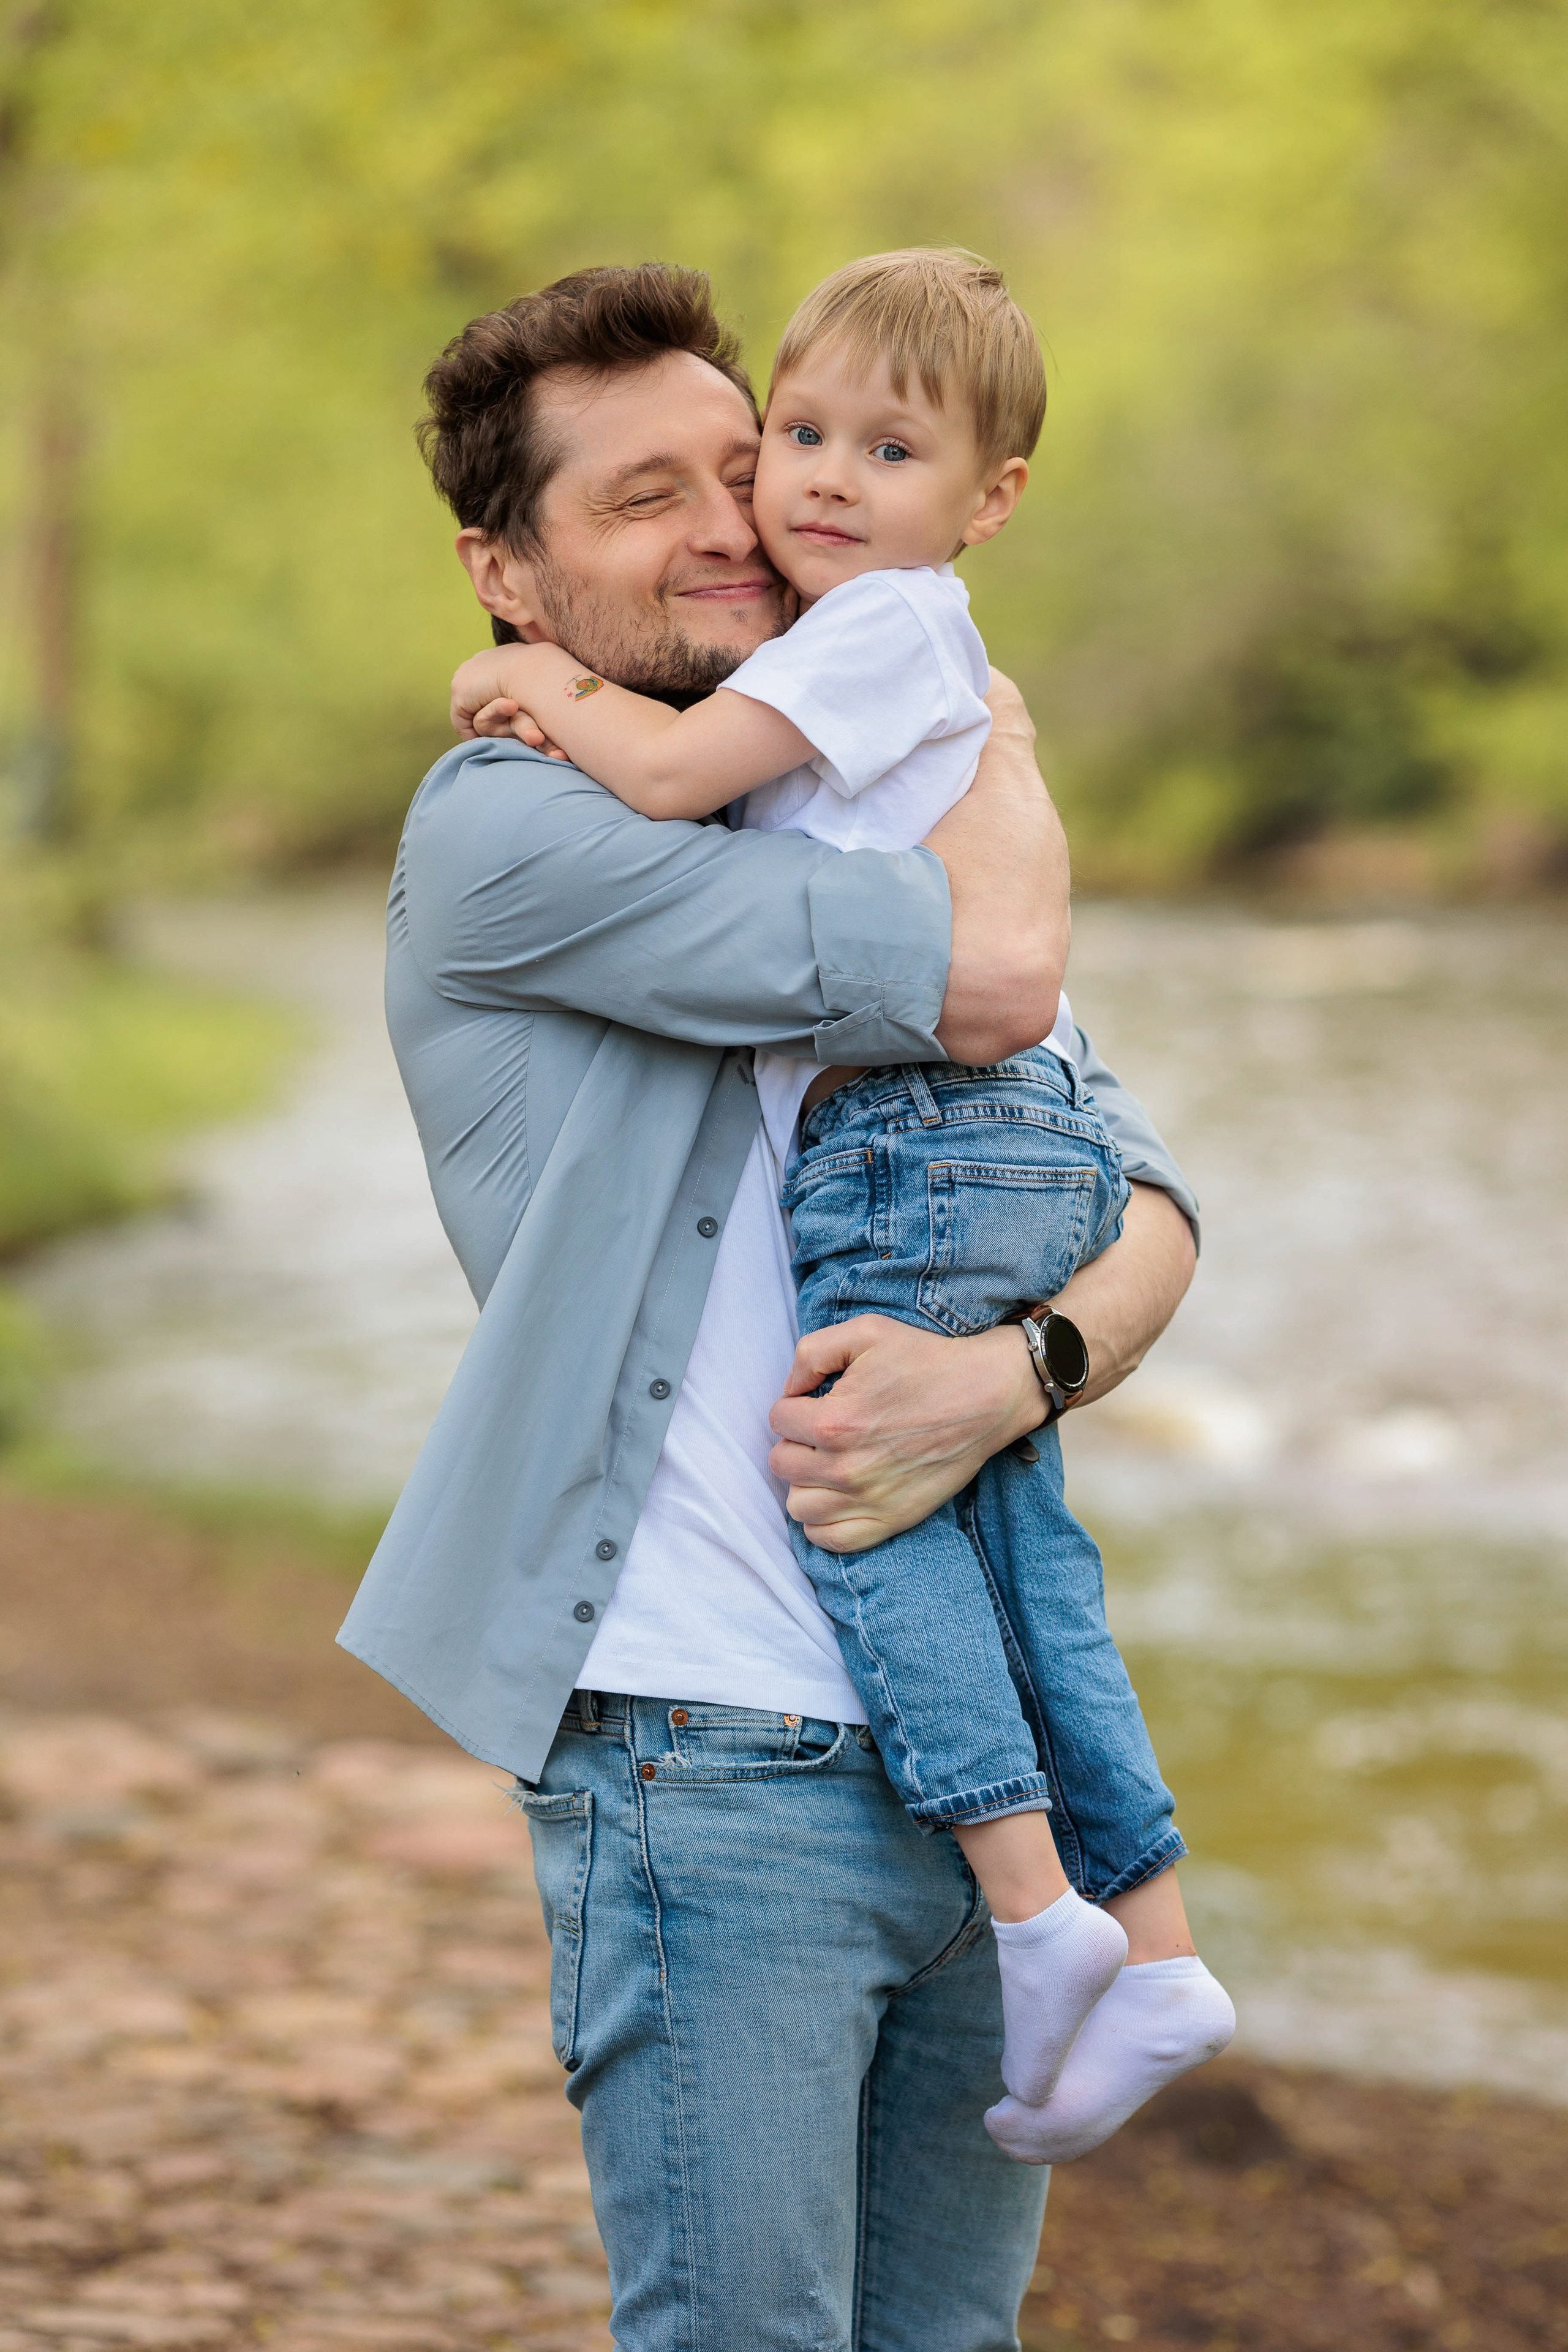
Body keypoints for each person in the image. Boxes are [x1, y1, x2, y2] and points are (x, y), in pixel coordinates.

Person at [340, 262, 1200, 2352]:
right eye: (645, 498)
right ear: (507, 574)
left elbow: (1155, 1212)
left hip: (965, 1763)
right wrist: (1017, 829)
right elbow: (999, 991)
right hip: (709, 1760)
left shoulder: (863, 786)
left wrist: (1010, 1377)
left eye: (750, 465)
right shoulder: (509, 827)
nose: (736, 522)